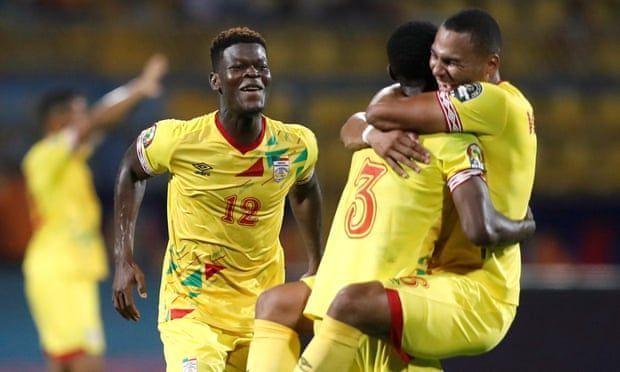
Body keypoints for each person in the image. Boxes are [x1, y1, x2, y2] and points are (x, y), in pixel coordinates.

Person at [247, 11, 536, 371]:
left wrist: (524, 227)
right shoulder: (412, 135)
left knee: (353, 303)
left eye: (451, 62)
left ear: (491, 63)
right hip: (429, 278)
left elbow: (481, 229)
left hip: (476, 288)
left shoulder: (478, 116)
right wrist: (370, 132)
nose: (441, 70)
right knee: (278, 302)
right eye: (436, 59)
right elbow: (366, 118)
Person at [112, 27, 324, 371]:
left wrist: (317, 264)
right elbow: (131, 169)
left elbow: (306, 187)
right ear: (216, 80)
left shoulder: (296, 144)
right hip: (192, 307)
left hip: (264, 311)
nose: (252, 74)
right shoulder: (178, 139)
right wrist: (124, 257)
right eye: (238, 67)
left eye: (260, 67)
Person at [22, 54, 168, 372]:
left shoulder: (67, 159)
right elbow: (98, 120)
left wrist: (134, 92)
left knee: (65, 360)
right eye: (78, 114)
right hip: (60, 270)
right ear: (57, 120)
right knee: (86, 359)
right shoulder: (45, 156)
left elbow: (101, 121)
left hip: (63, 269)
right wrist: (140, 88)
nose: (85, 118)